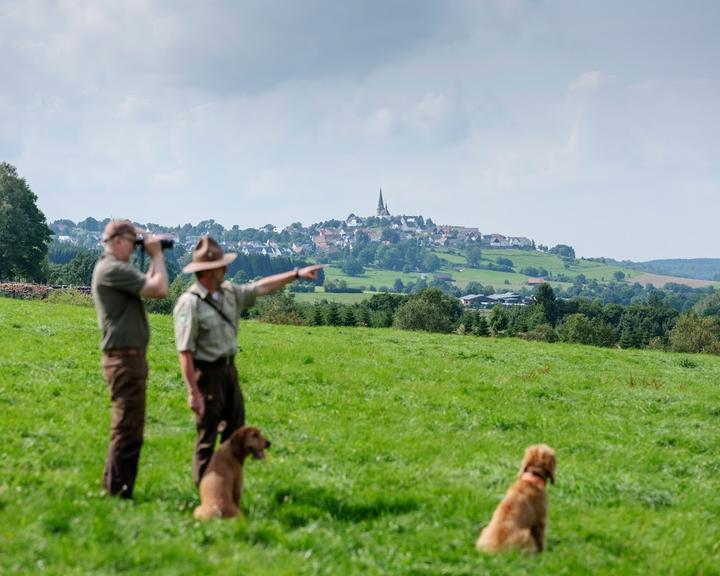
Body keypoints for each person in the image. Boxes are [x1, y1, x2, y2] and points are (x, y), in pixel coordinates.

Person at [173, 236, 322, 484]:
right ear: (209, 271)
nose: (227, 269)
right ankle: (204, 492)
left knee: (235, 434)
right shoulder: (188, 304)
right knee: (207, 436)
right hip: (206, 375)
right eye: (222, 265)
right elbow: (185, 351)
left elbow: (261, 287)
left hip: (229, 371)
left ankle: (230, 486)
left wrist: (296, 274)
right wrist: (193, 392)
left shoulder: (230, 292)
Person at [91, 220, 169, 499]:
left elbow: (149, 286)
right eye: (133, 242)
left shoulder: (114, 269)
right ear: (118, 241)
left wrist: (150, 256)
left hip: (127, 359)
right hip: (124, 360)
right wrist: (157, 255)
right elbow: (159, 289)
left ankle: (117, 488)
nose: (135, 247)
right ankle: (117, 493)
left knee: (129, 426)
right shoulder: (112, 268)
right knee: (127, 428)